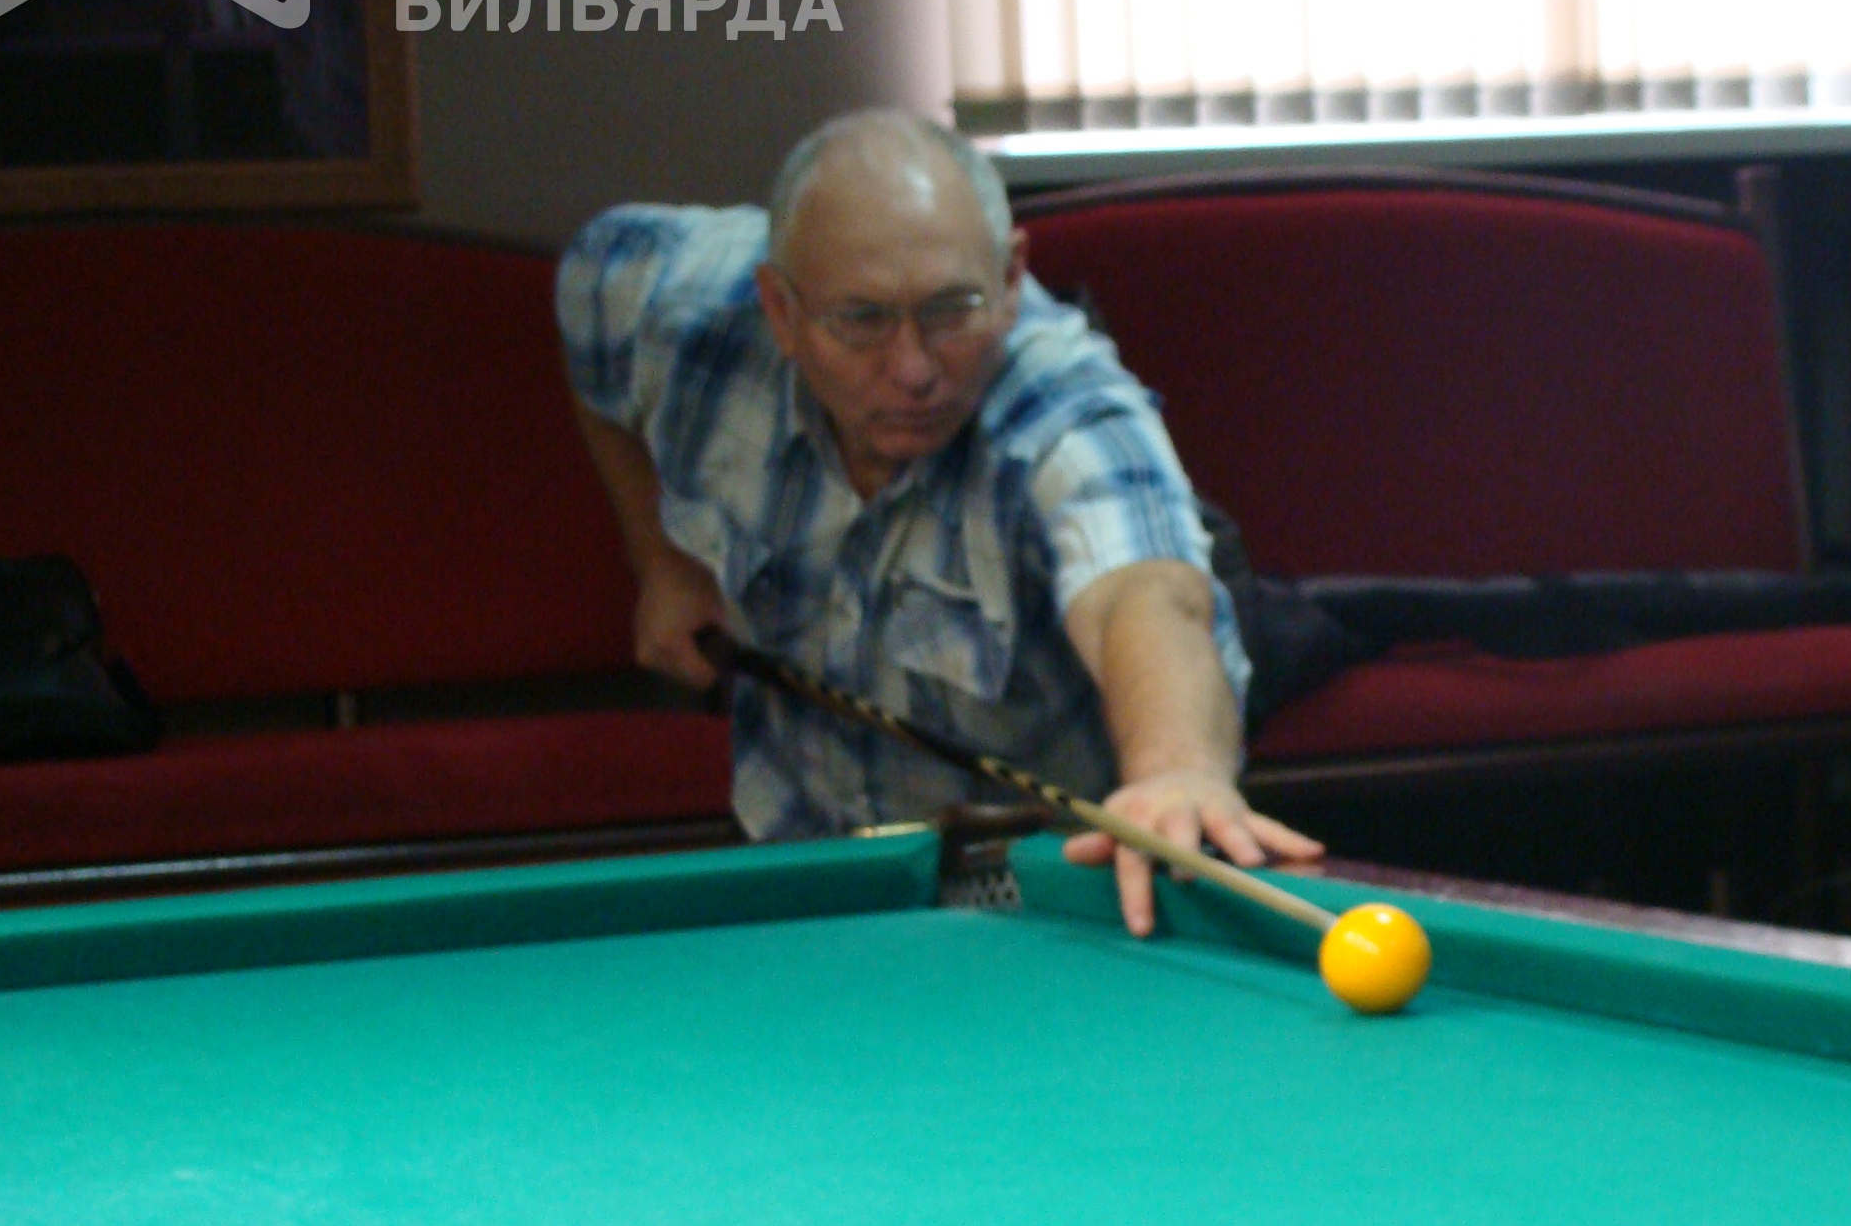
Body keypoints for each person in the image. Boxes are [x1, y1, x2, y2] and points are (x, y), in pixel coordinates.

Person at [558, 108, 1319, 936]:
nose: (914, 368)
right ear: (780, 309)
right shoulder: (682, 303)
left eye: (952, 310)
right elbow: (587, 305)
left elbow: (1145, 592)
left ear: (1012, 276)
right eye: (862, 320)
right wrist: (660, 560)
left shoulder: (1063, 410)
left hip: (1034, 897)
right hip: (794, 851)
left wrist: (1177, 771)